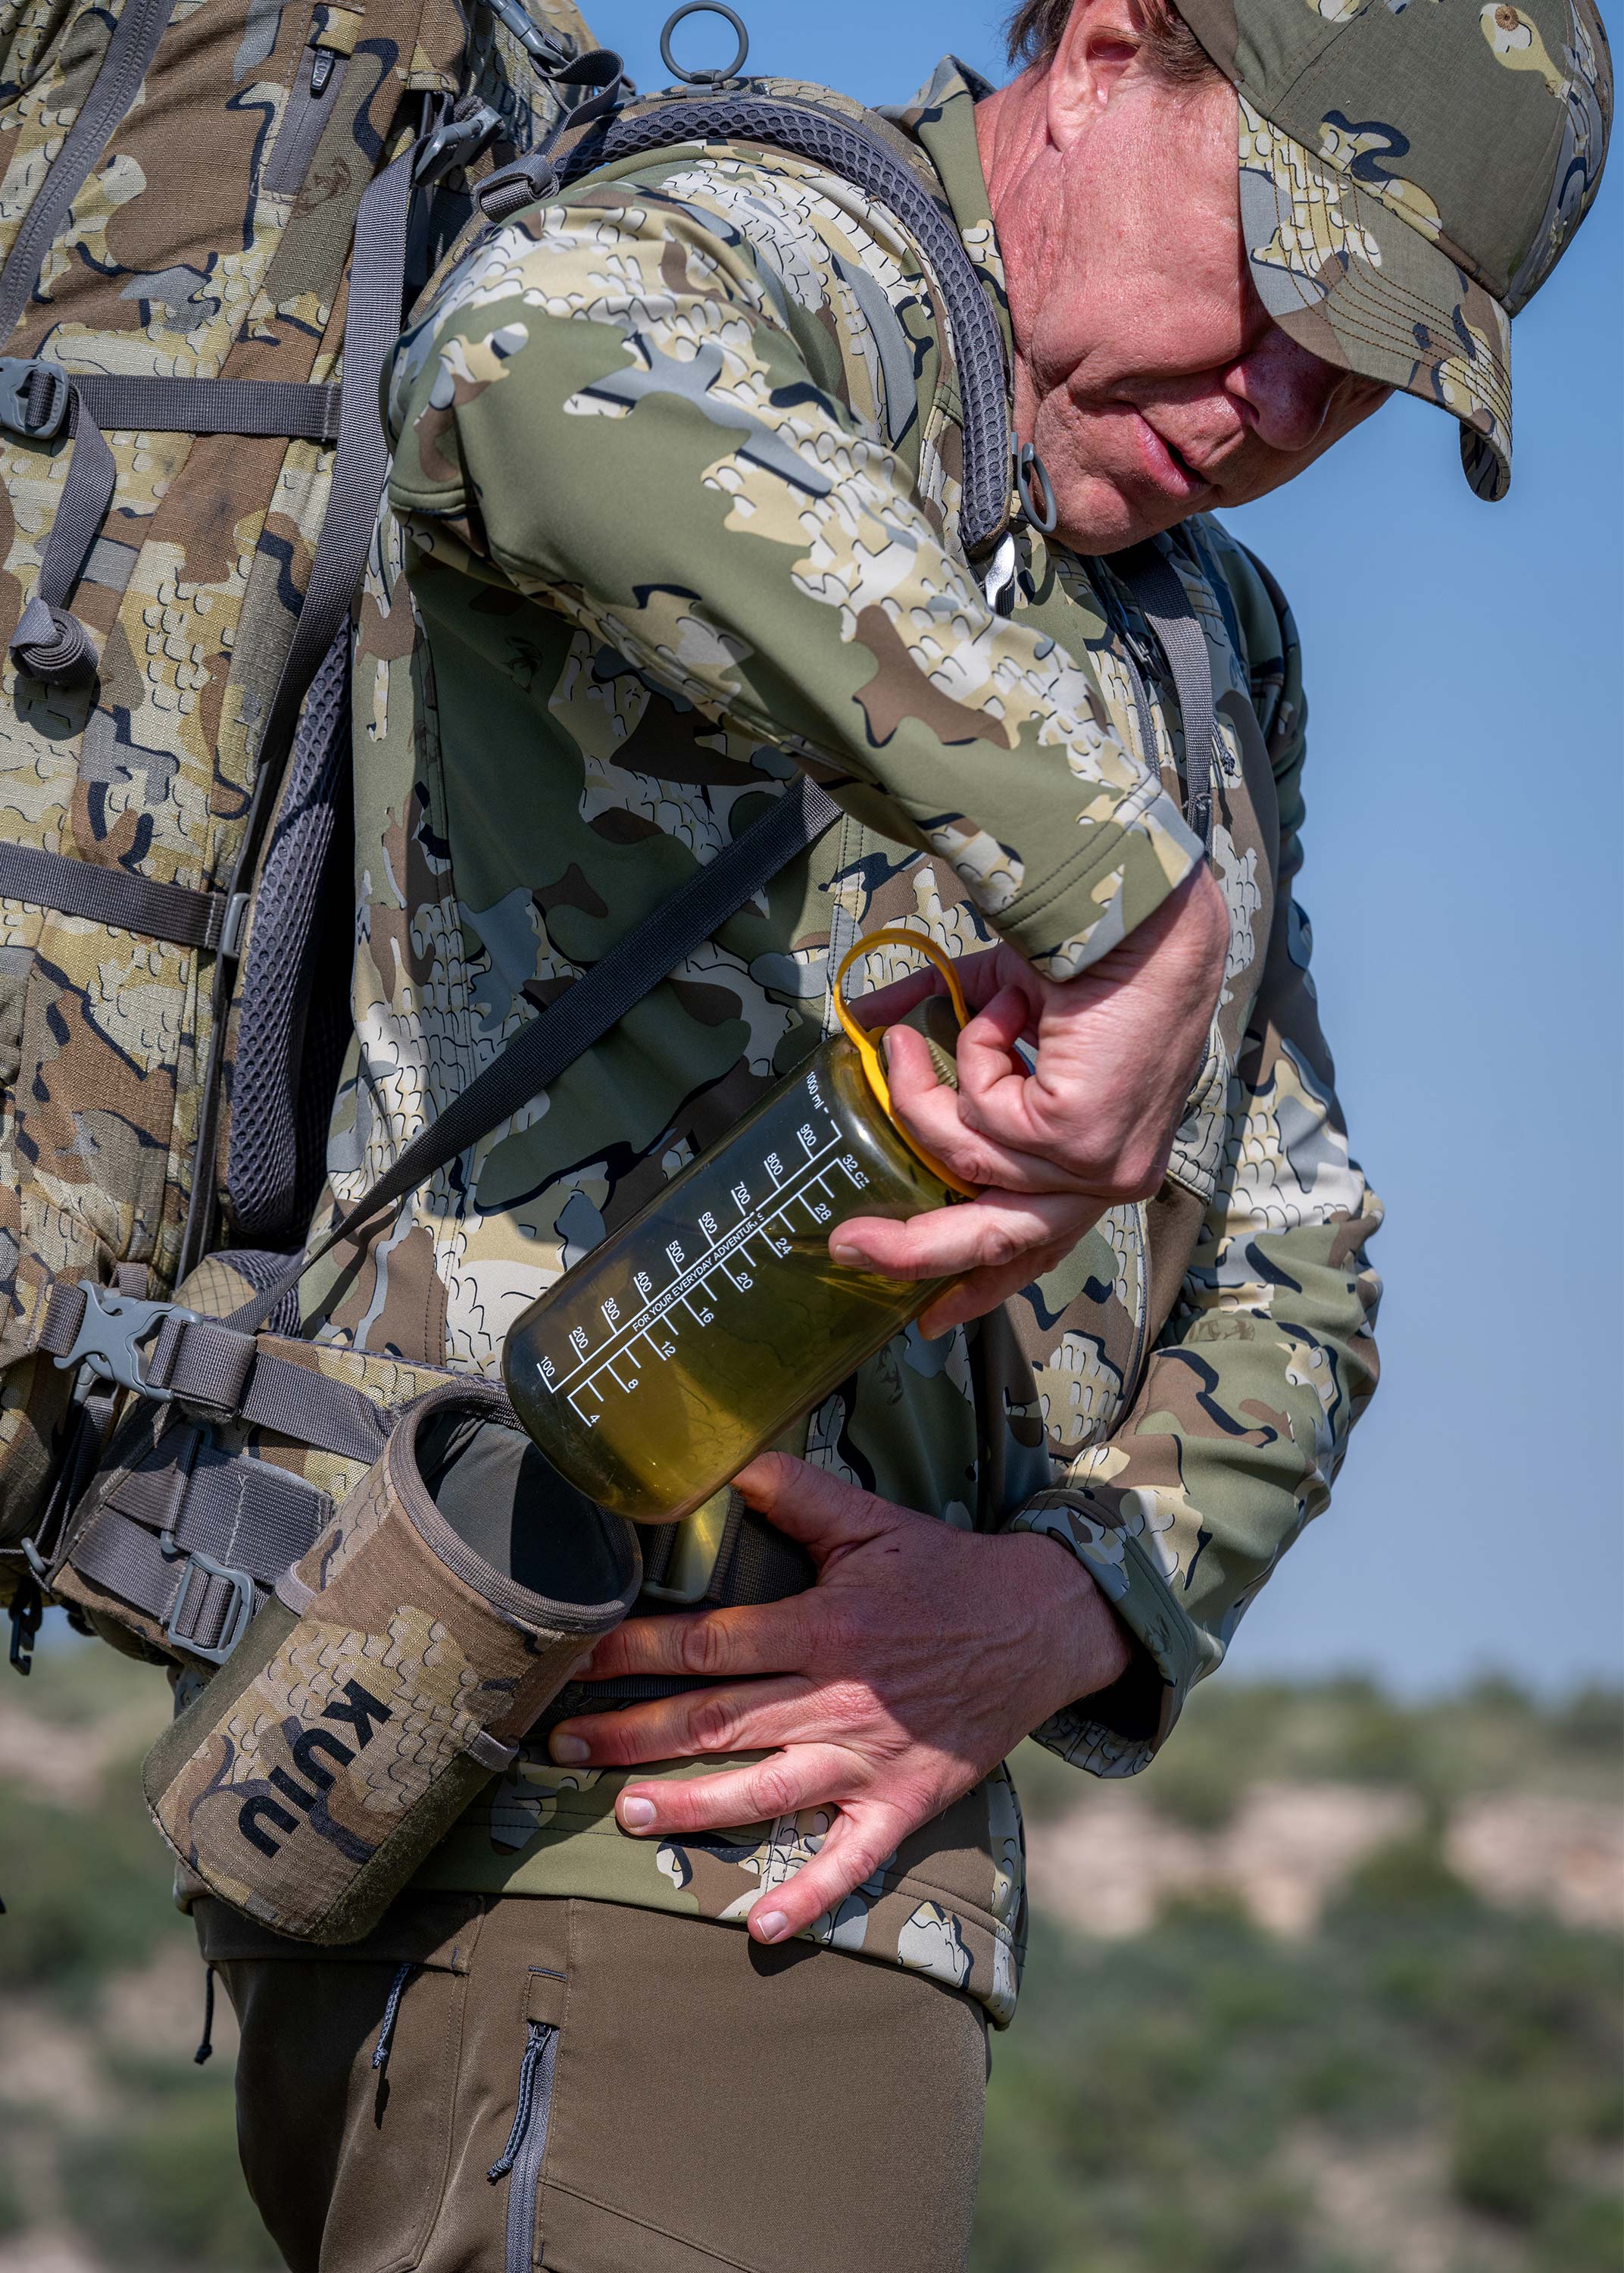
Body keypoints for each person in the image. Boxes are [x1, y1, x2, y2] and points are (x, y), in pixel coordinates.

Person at [198, 2, 1611, 2268]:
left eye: (1362, 387)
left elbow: (1298, 1249)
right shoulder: (788, 267)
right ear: (1118, 47)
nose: (1276, 409)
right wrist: (1119, 878)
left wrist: (1076, 1597)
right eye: (1294, 286)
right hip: (600, 1830)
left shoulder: (1202, 628)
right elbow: (525, 360)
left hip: (798, 1896)